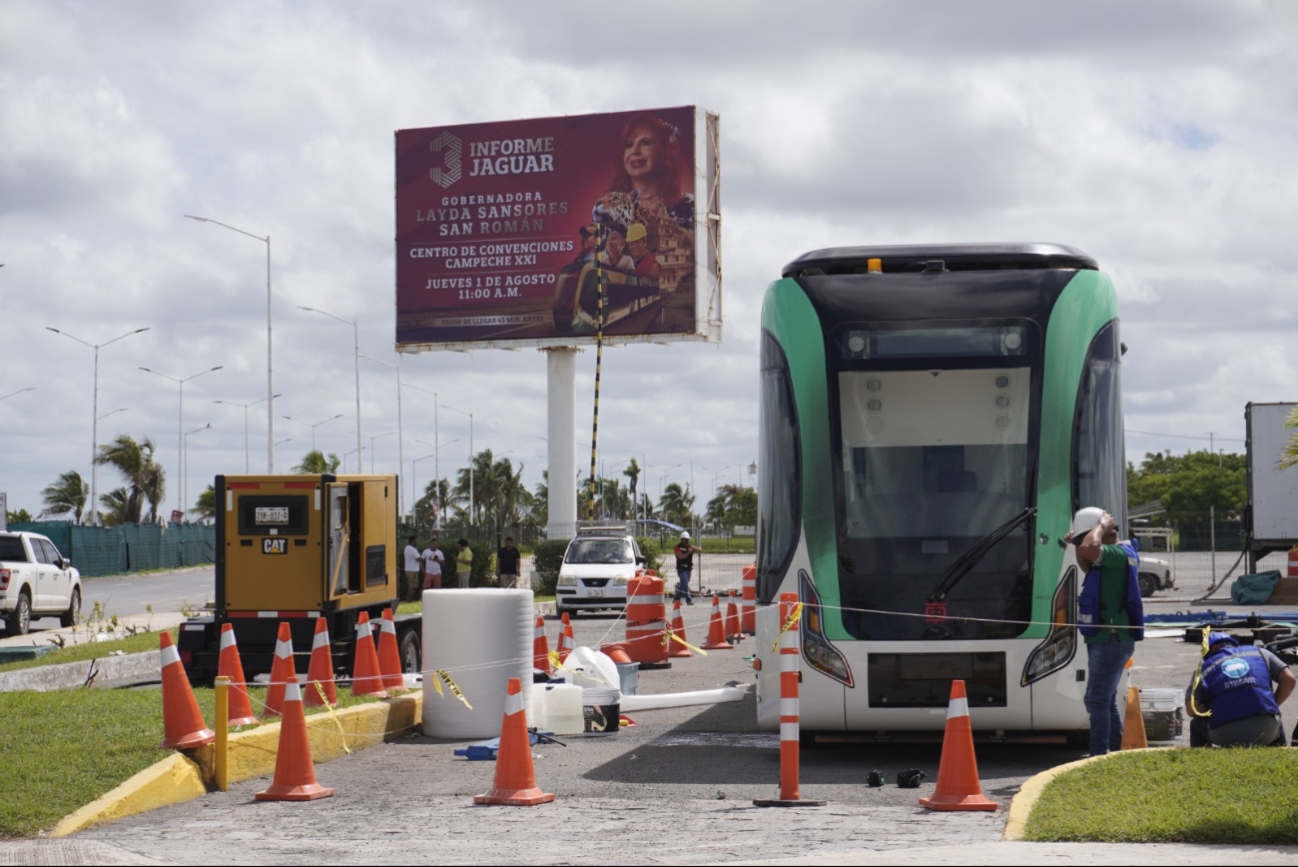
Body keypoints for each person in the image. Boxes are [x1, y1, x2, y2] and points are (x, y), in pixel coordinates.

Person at [1063, 507, 1144, 757]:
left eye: (1088, 536)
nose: (1084, 543)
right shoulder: (1107, 557)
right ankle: (1117, 751)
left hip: (1112, 639)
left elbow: (1089, 550)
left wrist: (1100, 527)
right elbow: (1086, 561)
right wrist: (1079, 540)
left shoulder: (1118, 554)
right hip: (1104, 638)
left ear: (1106, 533)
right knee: (1105, 698)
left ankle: (1098, 756)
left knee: (1095, 699)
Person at [1185, 631, 1294, 747]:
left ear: (1214, 647)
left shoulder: (1203, 669)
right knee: (1274, 715)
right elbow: (1290, 679)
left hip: (1225, 735)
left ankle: (1203, 763)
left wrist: (1215, 712)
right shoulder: (1260, 653)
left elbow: (1192, 709)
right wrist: (1274, 704)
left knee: (1196, 724)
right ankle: (1281, 755)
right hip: (1266, 731)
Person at [673, 531, 702, 605]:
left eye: (686, 539)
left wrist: (693, 548)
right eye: (683, 539)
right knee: (685, 584)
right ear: (681, 539)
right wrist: (689, 552)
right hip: (681, 569)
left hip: (688, 569)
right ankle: (688, 600)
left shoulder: (690, 547)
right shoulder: (677, 547)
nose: (684, 541)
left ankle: (676, 599)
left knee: (683, 585)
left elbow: (700, 550)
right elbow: (681, 556)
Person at [402, 536, 422, 603]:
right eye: (416, 541)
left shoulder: (406, 548)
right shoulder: (413, 549)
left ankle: (408, 600)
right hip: (412, 570)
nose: (417, 542)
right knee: (412, 587)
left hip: (408, 569)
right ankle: (409, 600)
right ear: (412, 541)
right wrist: (422, 556)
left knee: (410, 586)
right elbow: (419, 558)